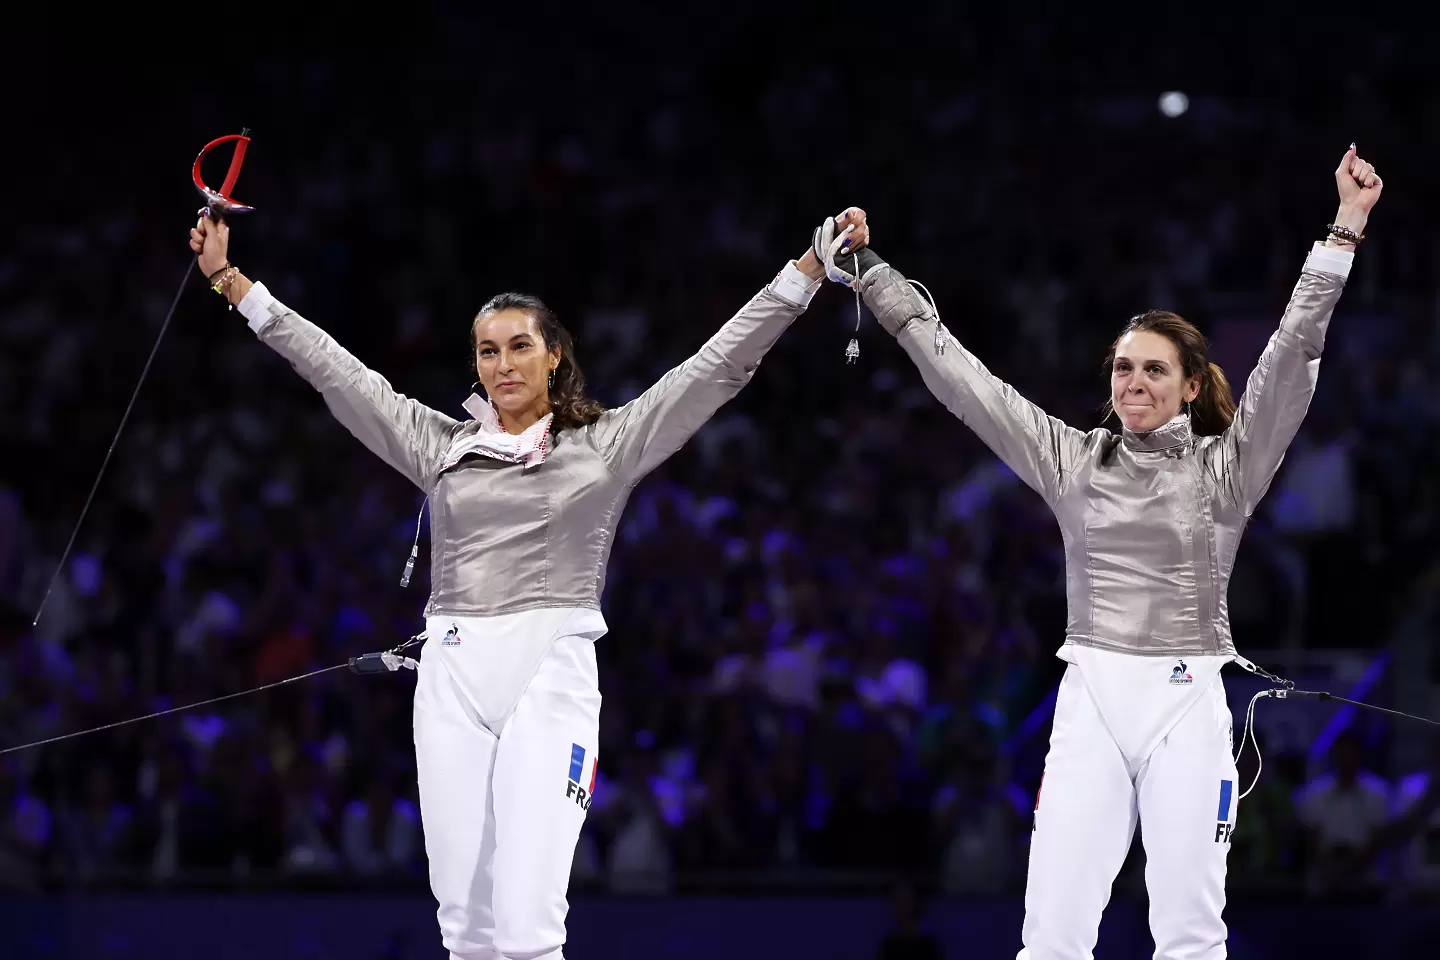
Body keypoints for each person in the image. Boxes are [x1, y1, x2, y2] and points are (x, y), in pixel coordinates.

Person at [188, 205, 870, 960]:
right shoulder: (439, 445)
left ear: (554, 358)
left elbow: (713, 371)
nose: (502, 365)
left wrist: (802, 276)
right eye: (486, 352)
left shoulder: (603, 446)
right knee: (464, 926)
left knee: (528, 925)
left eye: (519, 347)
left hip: (550, 673)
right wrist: (229, 281)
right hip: (449, 675)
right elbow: (336, 372)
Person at [832, 147, 1382, 959]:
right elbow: (959, 375)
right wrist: (869, 272)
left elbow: (1292, 357)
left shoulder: (1226, 470)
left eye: (1154, 370)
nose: (1134, 382)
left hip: (1188, 702)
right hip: (1089, 694)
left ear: (1192, 385)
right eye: (1123, 368)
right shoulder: (1072, 463)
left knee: (1189, 935)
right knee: (1051, 936)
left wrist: (1343, 230)